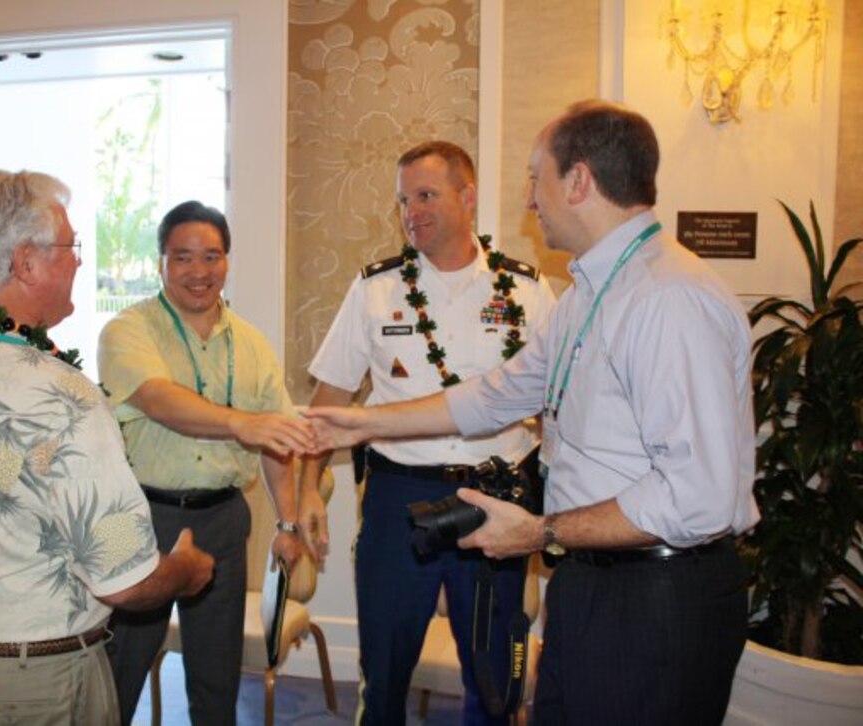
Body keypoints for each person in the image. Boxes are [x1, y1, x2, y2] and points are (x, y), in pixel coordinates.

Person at [306, 101, 759, 725]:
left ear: (578, 182)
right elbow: (497, 394)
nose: (528, 199)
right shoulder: (588, 295)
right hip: (591, 578)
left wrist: (542, 532)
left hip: (655, 592)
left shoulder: (668, 300)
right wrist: (359, 422)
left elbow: (696, 496)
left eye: (534, 177)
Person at [0, 169, 214, 725]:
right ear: (26, 262)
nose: (79, 259)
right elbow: (126, 580)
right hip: (30, 687)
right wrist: (187, 569)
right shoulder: (61, 396)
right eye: (70, 245)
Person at [298, 140, 556, 725]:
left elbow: (555, 411)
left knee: (494, 678)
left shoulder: (529, 292)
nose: (411, 211)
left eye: (426, 195)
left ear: (468, 198)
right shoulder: (374, 291)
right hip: (398, 498)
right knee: (383, 672)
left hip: (494, 499)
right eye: (403, 200)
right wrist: (309, 490)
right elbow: (330, 399)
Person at [98, 200, 312, 725]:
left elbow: (277, 440)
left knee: (217, 676)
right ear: (161, 262)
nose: (199, 271)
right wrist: (242, 422)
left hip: (222, 519)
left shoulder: (252, 343)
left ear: (227, 261)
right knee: (122, 668)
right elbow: (158, 399)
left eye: (211, 256)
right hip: (141, 517)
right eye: (184, 257)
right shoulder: (129, 330)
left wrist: (285, 522)